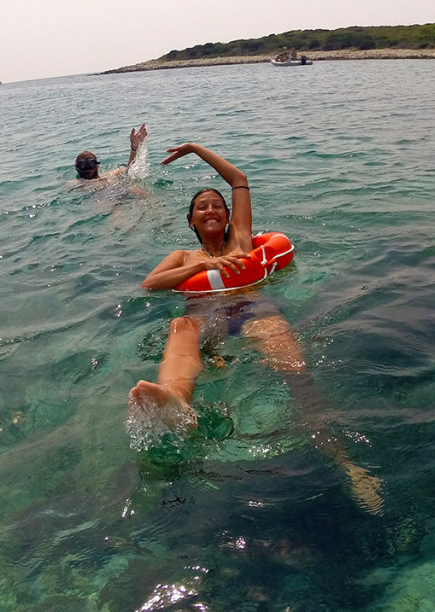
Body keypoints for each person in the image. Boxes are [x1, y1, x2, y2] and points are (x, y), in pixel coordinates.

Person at [129, 142, 383, 514]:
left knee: (298, 376)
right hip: (203, 315)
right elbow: (150, 284)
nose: (211, 209)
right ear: (191, 220)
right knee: (181, 327)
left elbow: (239, 179)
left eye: (217, 204)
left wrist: (195, 149)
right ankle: (177, 403)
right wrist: (198, 269)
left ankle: (345, 462)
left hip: (252, 310)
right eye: (202, 206)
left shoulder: (240, 240)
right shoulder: (183, 257)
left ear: (229, 215)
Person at [75, 124, 148, 181]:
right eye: (83, 165)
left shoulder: (111, 175)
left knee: (135, 189)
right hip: (107, 197)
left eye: (90, 163)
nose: (87, 168)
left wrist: (134, 149)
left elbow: (130, 169)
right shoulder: (74, 184)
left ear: (97, 165)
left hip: (120, 193)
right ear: (77, 168)